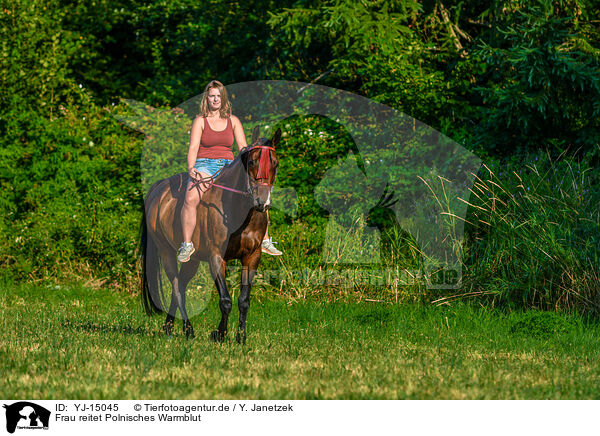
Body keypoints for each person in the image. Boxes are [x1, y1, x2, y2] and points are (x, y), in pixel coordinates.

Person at [178, 80, 282, 262]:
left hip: (228, 165)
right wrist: (191, 168)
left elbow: (243, 148)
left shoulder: (233, 121)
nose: (215, 99)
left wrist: (255, 153)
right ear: (207, 98)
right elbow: (193, 147)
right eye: (212, 96)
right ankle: (187, 244)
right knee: (190, 197)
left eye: (218, 96)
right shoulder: (200, 121)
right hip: (204, 165)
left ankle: (265, 239)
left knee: (260, 192)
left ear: (223, 98)